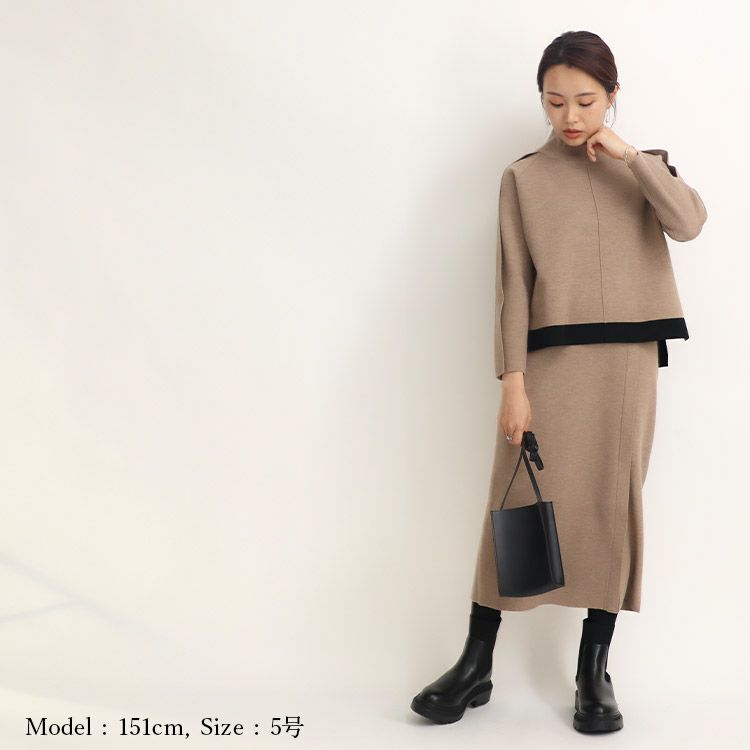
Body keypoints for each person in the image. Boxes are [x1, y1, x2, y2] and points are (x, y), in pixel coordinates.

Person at [410, 30, 707, 733]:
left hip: (627, 365)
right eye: (554, 101)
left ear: (612, 96)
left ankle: (593, 671)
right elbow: (512, 286)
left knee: (610, 502)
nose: (570, 116)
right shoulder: (524, 178)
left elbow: (690, 223)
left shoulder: (645, 170)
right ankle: (476, 661)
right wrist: (512, 381)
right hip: (550, 364)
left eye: (586, 101)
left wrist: (631, 157)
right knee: (511, 497)